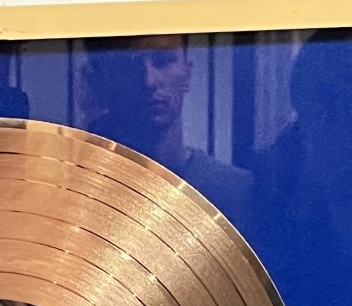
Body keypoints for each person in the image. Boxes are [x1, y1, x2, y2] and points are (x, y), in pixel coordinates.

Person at [83, 34, 253, 229]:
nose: (149, 81)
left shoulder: (234, 189)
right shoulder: (84, 187)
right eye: (129, 65)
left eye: (163, 62)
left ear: (187, 73)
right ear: (106, 81)